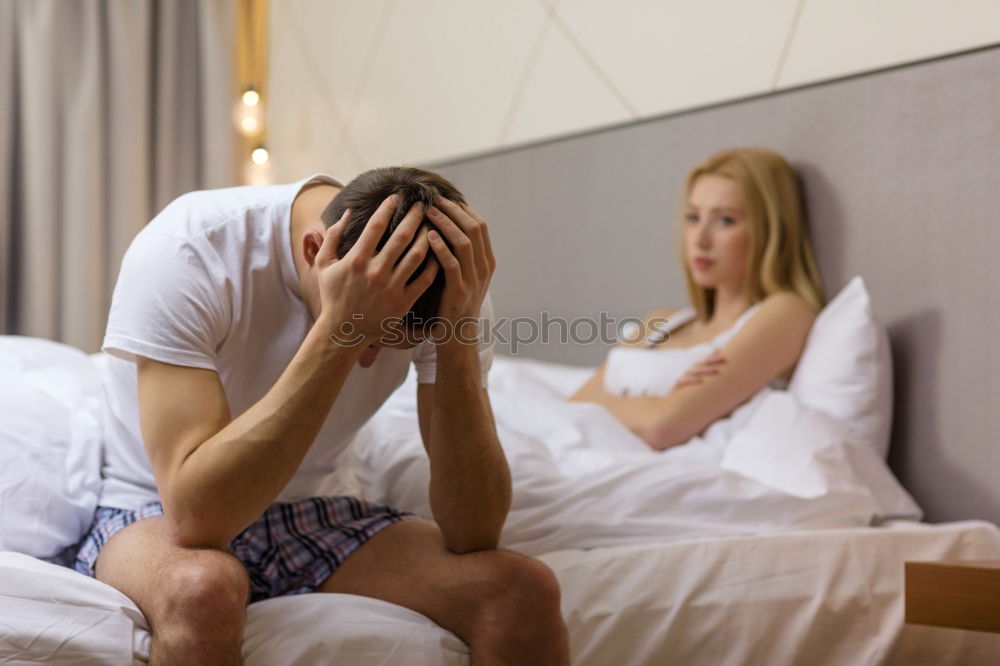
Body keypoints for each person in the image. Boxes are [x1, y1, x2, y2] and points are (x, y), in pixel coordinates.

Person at [74, 166, 570, 665]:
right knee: (202, 589)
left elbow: (474, 532)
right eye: (370, 339)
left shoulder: (447, 281)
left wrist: (458, 334)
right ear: (317, 253)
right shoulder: (191, 248)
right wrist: (341, 332)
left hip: (311, 507)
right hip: (151, 507)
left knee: (523, 590)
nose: (370, 360)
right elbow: (197, 519)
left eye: (387, 344)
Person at [571, 148, 825, 451]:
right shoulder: (659, 321)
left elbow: (661, 427)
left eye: (725, 220)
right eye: (693, 217)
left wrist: (623, 405)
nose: (700, 239)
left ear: (770, 231)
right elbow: (574, 404)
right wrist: (657, 403)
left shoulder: (785, 312)